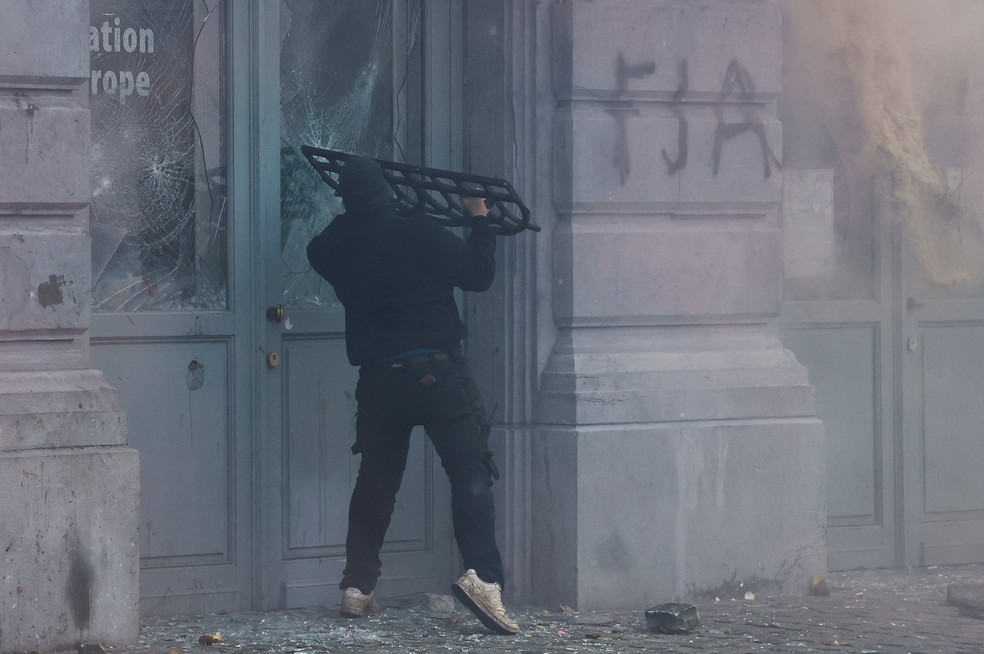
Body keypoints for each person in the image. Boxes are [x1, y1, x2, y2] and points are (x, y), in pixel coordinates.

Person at [306, 156, 519, 635]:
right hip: (439, 375)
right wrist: (478, 216)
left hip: (381, 382)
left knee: (376, 480)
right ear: (388, 195)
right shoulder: (423, 234)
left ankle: (357, 588)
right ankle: (483, 579)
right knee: (469, 471)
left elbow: (318, 247)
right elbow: (480, 275)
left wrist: (356, 212)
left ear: (350, 201)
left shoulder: (339, 248)